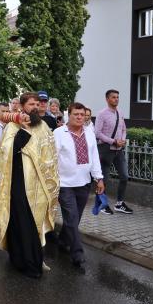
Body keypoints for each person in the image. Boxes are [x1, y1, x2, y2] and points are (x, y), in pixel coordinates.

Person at [0, 92, 59, 278]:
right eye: (31, 104)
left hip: (40, 185)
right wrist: (23, 130)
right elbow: (7, 152)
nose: (35, 107)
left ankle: (35, 259)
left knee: (36, 222)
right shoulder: (12, 126)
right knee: (23, 222)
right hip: (19, 183)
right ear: (22, 106)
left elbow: (51, 155)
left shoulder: (43, 126)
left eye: (37, 104)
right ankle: (28, 263)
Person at [53, 103, 104, 272]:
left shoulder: (89, 133)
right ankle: (77, 253)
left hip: (84, 183)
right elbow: (52, 159)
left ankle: (62, 241)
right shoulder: (59, 133)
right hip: (64, 184)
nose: (80, 117)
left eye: (82, 115)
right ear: (69, 115)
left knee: (74, 219)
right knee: (72, 218)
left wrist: (99, 178)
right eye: (76, 114)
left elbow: (94, 156)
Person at [95, 89, 133, 215]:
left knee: (124, 177)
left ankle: (119, 203)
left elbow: (123, 129)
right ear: (107, 99)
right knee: (104, 179)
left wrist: (122, 139)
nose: (116, 99)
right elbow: (98, 133)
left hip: (118, 150)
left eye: (117, 97)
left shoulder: (120, 113)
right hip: (106, 150)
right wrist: (113, 141)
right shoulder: (102, 114)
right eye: (113, 97)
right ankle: (103, 203)